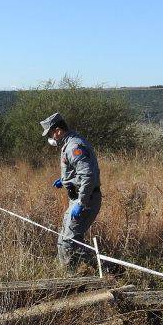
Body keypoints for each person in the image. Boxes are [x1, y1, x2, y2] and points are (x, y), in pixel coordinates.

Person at [41, 112, 103, 269]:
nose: (51, 138)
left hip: (85, 200)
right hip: (77, 199)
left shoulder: (73, 146)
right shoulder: (69, 143)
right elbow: (77, 171)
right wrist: (65, 180)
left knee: (70, 242)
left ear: (58, 131)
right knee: (64, 239)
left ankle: (103, 268)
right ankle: (68, 272)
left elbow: (88, 176)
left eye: (50, 134)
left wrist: (81, 203)